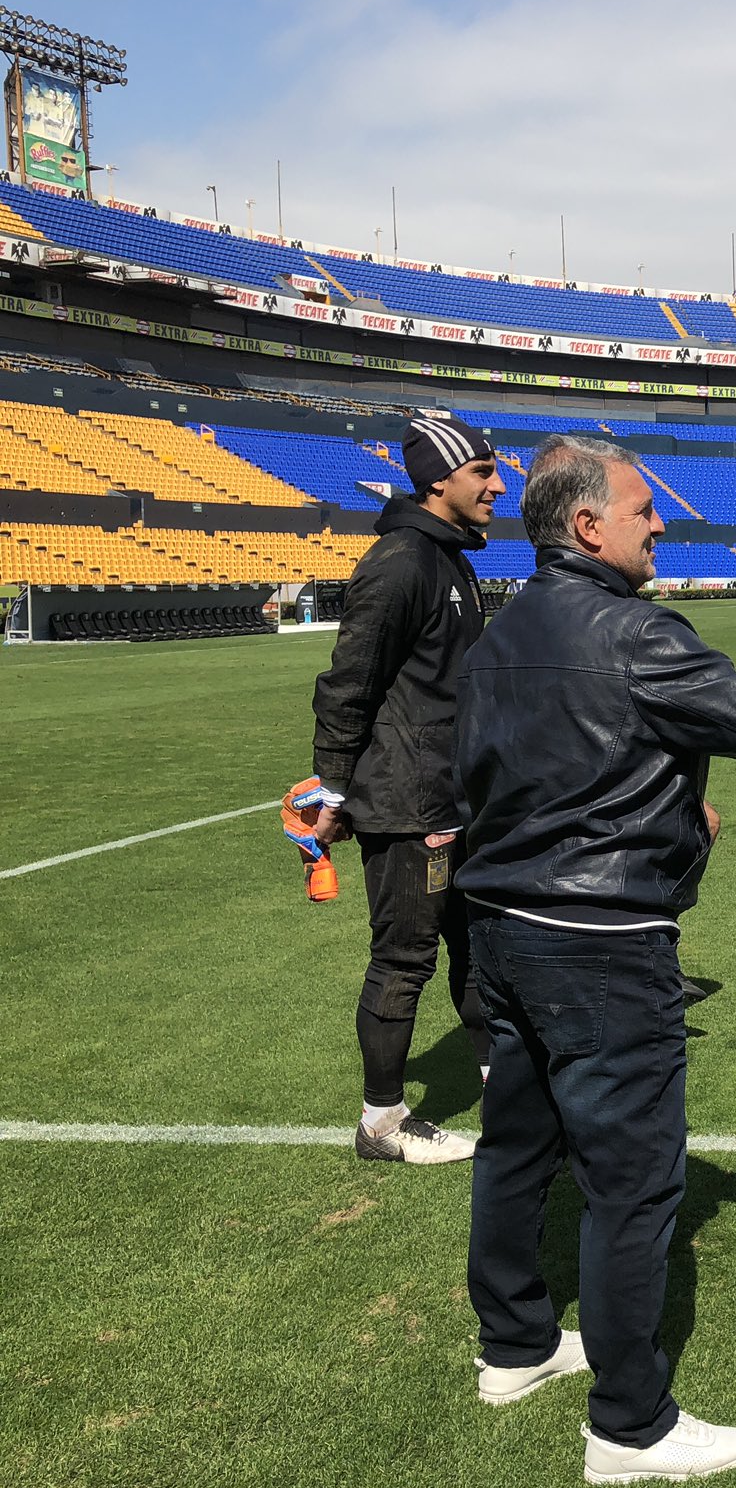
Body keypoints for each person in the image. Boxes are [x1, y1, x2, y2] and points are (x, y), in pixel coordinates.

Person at [454, 434, 736, 1484]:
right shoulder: (632, 633)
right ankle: (628, 1426)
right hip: (600, 944)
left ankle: (512, 1347)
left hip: (499, 928)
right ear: (587, 524)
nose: (659, 523)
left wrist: (664, 806)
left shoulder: (502, 632)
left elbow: (499, 773)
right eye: (643, 509)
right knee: (632, 1185)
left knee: (515, 1146)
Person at [309, 412, 504, 1164]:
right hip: (407, 801)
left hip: (450, 792)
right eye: (481, 471)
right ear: (438, 481)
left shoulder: (448, 557)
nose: (496, 483)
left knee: (479, 946)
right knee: (404, 959)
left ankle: (509, 1089)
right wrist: (331, 791)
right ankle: (380, 1124)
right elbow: (346, 685)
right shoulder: (400, 563)